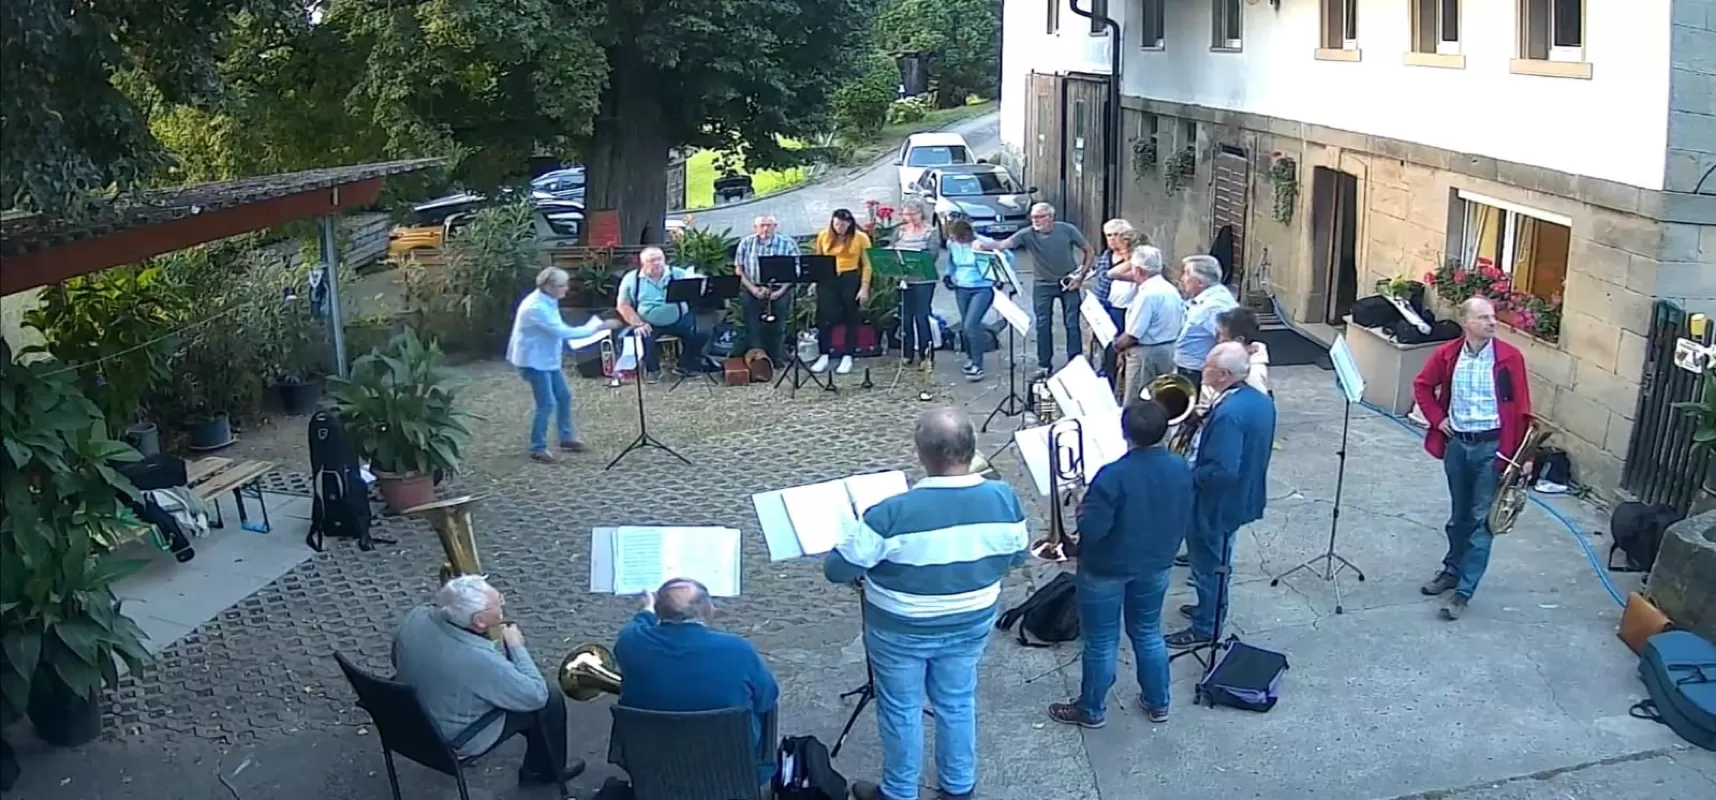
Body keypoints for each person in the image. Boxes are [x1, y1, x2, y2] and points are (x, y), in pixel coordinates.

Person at [824, 408, 1030, 800]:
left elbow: (837, 569)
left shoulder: (892, 513)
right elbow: (1016, 557)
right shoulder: (1004, 498)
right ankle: (958, 786)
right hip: (972, 620)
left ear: (922, 455)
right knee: (956, 700)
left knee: (901, 707)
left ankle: (900, 791)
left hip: (900, 628)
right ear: (971, 449)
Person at [1047, 400, 1192, 728]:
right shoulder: (1180, 466)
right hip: (1156, 563)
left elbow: (1092, 530)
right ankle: (1158, 703)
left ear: (1124, 433)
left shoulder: (1112, 476)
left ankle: (1092, 709)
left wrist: (1084, 505)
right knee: (1148, 632)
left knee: (1101, 640)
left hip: (1106, 569)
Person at [1409, 297, 1532, 621]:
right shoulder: (1447, 355)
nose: (1492, 323)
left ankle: (1463, 591)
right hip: (1458, 445)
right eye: (1483, 318)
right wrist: (1437, 419)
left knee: (1482, 521)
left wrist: (1523, 456)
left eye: (1493, 317)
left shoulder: (1509, 358)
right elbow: (1422, 386)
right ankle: (1451, 570)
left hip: (1492, 448)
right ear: (1466, 322)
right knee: (1458, 516)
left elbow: (1522, 408)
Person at [392, 575, 579, 787]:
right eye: (498, 605)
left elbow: (395, 657)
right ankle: (541, 772)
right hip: (452, 739)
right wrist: (516, 646)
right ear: (479, 621)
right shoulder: (479, 659)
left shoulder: (417, 615)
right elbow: (536, 695)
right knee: (551, 699)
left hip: (403, 723)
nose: (502, 610)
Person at [614, 578, 780, 790]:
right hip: (735, 768)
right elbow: (767, 698)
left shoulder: (630, 642)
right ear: (708, 609)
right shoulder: (738, 649)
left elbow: (635, 626)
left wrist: (647, 611)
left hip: (651, 764)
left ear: (659, 612)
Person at [1167, 342, 1277, 648]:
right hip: (1242, 496)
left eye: (1208, 367)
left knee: (1209, 565)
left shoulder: (1229, 414)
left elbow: (1223, 471)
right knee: (1217, 558)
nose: (1202, 370)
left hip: (1215, 504)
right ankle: (1208, 609)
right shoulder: (1257, 399)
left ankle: (1206, 626)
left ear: (1224, 375)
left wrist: (1184, 476)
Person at [505, 267, 625, 462]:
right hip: (533, 361)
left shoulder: (548, 300)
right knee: (547, 403)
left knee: (564, 396)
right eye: (561, 285)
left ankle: (566, 438)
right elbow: (564, 332)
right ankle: (537, 447)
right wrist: (599, 327)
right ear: (548, 286)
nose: (566, 289)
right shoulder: (535, 307)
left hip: (546, 358)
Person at [975, 202, 1095, 379]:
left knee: (1071, 323)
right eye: (1032, 217)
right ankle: (1044, 364)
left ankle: (1075, 363)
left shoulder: (1067, 230)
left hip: (1068, 282)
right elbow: (1004, 244)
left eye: (1039, 217)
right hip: (1042, 284)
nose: (1035, 221)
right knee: (1042, 325)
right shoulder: (1027, 234)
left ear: (1050, 217)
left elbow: (1089, 250)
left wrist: (1081, 276)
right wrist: (983, 246)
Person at [616, 246, 708, 382]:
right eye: (652, 260)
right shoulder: (632, 279)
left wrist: (700, 283)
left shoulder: (676, 273)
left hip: (679, 319)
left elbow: (697, 286)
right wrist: (638, 323)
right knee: (643, 337)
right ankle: (653, 371)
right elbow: (623, 305)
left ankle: (685, 365)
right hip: (648, 322)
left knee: (701, 332)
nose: (657, 263)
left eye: (660, 259)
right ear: (643, 263)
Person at [1111, 246, 1184, 404]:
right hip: (1168, 350)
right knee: (1161, 400)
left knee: (1136, 401)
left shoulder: (1147, 295)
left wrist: (1116, 346)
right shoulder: (1171, 289)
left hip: (1146, 355)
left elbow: (1132, 334)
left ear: (1138, 270)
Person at [811, 209, 874, 375]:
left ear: (850, 223)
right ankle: (824, 353)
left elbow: (867, 264)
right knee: (824, 316)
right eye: (837, 224)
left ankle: (848, 354)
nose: (840, 227)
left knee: (850, 316)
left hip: (850, 277)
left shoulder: (860, 238)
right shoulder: (823, 236)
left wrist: (864, 287)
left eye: (844, 224)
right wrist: (815, 280)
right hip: (828, 278)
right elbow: (818, 259)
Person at [733, 215, 801, 365]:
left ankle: (776, 358)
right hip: (752, 288)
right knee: (752, 326)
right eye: (762, 225)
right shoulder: (746, 243)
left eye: (769, 225)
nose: (765, 229)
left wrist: (780, 291)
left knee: (778, 326)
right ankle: (757, 360)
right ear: (755, 227)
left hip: (780, 289)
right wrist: (753, 289)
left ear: (775, 227)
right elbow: (739, 269)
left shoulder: (788, 244)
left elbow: (796, 270)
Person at [891, 200, 944, 370]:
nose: (910, 218)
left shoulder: (931, 231)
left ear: (921, 213)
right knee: (905, 318)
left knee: (922, 317)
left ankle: (926, 355)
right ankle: (907, 354)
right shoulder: (900, 231)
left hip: (924, 280)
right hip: (904, 279)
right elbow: (892, 250)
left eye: (914, 214)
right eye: (907, 214)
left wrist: (915, 261)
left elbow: (933, 255)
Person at [1172, 255, 1238, 391]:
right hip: (1192, 370)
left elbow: (1227, 342)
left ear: (1200, 282)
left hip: (1198, 374)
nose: (1182, 279)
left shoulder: (1215, 306)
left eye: (1186, 274)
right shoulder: (1206, 299)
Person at [942, 218, 995, 382]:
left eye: (957, 237)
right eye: (952, 237)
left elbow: (1007, 258)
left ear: (965, 235)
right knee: (965, 327)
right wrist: (948, 275)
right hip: (961, 287)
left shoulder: (983, 242)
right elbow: (952, 263)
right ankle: (971, 358)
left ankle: (978, 366)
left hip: (982, 287)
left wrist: (989, 252)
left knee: (971, 324)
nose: (954, 240)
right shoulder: (953, 244)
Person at [1086, 220, 1138, 381]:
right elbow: (1101, 277)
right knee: (1102, 343)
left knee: (1116, 348)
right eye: (1108, 235)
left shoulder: (1135, 257)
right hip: (1102, 304)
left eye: (1116, 235)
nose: (1112, 239)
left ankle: (1113, 379)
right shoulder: (1107, 255)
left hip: (1123, 308)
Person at [1201, 306, 1272, 402]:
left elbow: (1254, 405)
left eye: (1221, 334)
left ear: (1239, 340)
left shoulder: (1252, 375)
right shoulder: (1230, 357)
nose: (1218, 339)